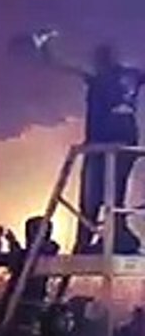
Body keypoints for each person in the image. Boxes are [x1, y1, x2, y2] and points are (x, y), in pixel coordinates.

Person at [44, 40, 144, 253]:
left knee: (91, 197)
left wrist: (45, 50)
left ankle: (86, 240)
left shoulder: (100, 75)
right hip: (127, 143)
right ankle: (116, 235)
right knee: (116, 193)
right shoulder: (132, 75)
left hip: (101, 144)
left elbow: (66, 65)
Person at [0, 217, 59, 329]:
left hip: (20, 303)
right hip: (30, 303)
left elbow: (1, 258)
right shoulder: (47, 253)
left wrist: (6, 241)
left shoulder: (37, 254)